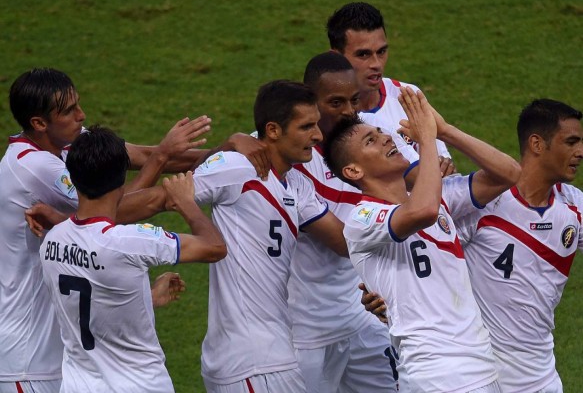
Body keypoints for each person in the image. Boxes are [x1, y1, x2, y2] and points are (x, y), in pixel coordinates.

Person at [0, 67, 264, 393]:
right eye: (69, 111)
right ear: (39, 123)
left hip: (65, 353)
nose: (82, 115)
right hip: (29, 353)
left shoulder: (69, 150)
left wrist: (225, 152)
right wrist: (179, 194)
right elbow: (112, 207)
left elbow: (147, 157)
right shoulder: (34, 165)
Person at [361, 98, 583, 392]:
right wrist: (385, 293)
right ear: (537, 145)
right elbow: (413, 249)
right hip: (478, 374)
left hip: (540, 375)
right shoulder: (476, 202)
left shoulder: (574, 206)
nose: (579, 152)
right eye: (571, 142)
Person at [323, 87, 521, 392]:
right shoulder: (361, 220)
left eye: (381, 131)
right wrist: (428, 140)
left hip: (478, 365)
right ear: (353, 169)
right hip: (435, 372)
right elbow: (424, 211)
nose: (386, 137)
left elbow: (508, 173)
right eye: (370, 140)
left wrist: (445, 131)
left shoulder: (433, 198)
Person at [39, 125, 226, 393]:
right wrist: (186, 202)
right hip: (140, 386)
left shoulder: (52, 242)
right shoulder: (130, 242)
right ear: (121, 181)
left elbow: (87, 303)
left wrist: (146, 298)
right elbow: (214, 247)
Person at [195, 80, 347, 393]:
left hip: (272, 358)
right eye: (307, 127)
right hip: (252, 363)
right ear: (274, 130)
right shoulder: (237, 168)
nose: (318, 136)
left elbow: (345, 243)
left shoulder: (298, 187)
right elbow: (168, 195)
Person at [287, 51, 402, 393]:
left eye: (353, 100)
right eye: (335, 102)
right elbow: (344, 243)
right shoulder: (286, 150)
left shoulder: (366, 144)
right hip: (304, 332)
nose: (348, 111)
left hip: (363, 320)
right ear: (310, 101)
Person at [327, 1, 457, 176]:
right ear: (336, 57)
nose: (376, 64)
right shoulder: (322, 115)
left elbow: (444, 167)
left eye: (381, 52)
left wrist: (444, 166)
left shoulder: (407, 95)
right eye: (363, 54)